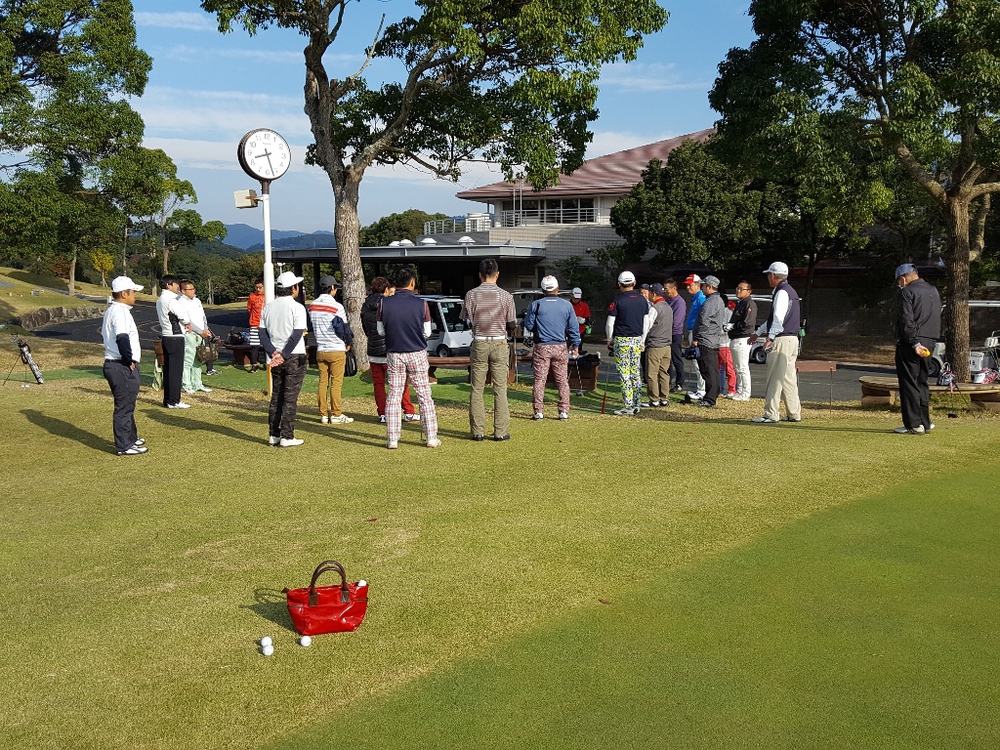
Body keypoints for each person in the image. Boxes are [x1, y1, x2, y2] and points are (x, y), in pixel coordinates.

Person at [377, 267, 440, 449]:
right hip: (417, 352)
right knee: (424, 396)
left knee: (394, 396)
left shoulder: (384, 303)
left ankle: (392, 439)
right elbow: (427, 332)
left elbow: (381, 331)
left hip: (394, 353)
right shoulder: (422, 304)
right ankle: (431, 437)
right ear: (412, 282)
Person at [460, 258, 517, 440]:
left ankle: (478, 431)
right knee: (500, 388)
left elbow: (464, 319)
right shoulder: (506, 296)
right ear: (497, 274)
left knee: (477, 388)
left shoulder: (471, 295)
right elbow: (511, 324)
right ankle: (500, 431)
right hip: (499, 342)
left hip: (479, 342)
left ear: (480, 275)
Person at [260, 271, 309, 447]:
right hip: (293, 355)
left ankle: (274, 433)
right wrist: (284, 354)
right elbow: (297, 334)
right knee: (290, 398)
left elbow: (262, 334)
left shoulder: (268, 307)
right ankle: (287, 436)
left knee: (277, 396)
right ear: (293, 288)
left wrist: (274, 352)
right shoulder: (297, 307)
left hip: (275, 356)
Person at [750, 262, 802, 423]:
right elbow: (774, 319)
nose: (768, 277)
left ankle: (771, 414)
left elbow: (778, 319)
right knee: (788, 379)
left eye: (768, 274)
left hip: (781, 339)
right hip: (792, 339)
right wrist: (758, 332)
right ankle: (794, 413)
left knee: (774, 377)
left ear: (773, 275)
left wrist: (770, 337)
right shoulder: (790, 291)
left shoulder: (781, 292)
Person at [361, 277, 418, 423]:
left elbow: (365, 328)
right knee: (400, 382)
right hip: (390, 349)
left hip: (373, 350)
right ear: (386, 290)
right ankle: (408, 411)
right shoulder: (388, 304)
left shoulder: (365, 306)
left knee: (378, 384)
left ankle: (382, 413)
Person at [893, 263, 941, 435]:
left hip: (912, 343)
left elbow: (907, 320)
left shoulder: (906, 292)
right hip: (930, 341)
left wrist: (914, 343)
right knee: (922, 381)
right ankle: (925, 422)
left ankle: (913, 424)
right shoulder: (933, 290)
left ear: (903, 279)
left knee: (909, 383)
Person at [524, 275, 580, 420]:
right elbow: (574, 327)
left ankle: (538, 411)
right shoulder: (567, 305)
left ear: (543, 290)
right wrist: (576, 345)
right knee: (562, 380)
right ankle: (563, 411)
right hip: (560, 346)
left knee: (540, 380)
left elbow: (528, 325)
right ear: (558, 289)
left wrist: (538, 328)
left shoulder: (536, 304)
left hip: (542, 346)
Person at [102, 276, 146, 455]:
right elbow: (122, 338)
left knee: (128, 403)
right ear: (124, 294)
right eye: (133, 292)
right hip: (120, 364)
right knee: (124, 407)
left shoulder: (115, 310)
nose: (135, 295)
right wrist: (129, 360)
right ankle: (124, 445)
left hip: (116, 363)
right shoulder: (120, 312)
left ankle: (131, 437)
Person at [606, 270, 657, 416]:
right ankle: (636, 403)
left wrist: (609, 338)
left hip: (622, 339)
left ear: (619, 284)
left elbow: (610, 323)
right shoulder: (643, 300)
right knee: (635, 372)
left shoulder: (618, 300)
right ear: (634, 283)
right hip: (637, 339)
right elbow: (646, 322)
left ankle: (628, 405)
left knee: (624, 373)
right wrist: (643, 339)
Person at [308, 276, 355, 425]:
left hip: (321, 348)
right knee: (336, 383)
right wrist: (348, 343)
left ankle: (323, 414)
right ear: (332, 288)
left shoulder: (312, 306)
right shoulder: (337, 307)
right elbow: (344, 328)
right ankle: (336, 414)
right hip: (336, 348)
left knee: (323, 382)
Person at [691, 275, 727, 407]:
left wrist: (697, 338)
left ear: (710, 287)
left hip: (706, 340)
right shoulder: (719, 300)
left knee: (707, 370)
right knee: (713, 370)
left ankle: (709, 398)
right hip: (714, 339)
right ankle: (712, 394)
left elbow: (704, 321)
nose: (702, 288)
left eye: (703, 286)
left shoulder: (711, 302)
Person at [156, 274, 191, 409]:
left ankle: (168, 400)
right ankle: (174, 400)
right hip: (175, 337)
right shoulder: (171, 300)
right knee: (176, 370)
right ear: (168, 285)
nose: (178, 287)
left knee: (168, 370)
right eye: (176, 284)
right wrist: (187, 323)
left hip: (166, 336)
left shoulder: (160, 299)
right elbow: (183, 316)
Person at [178, 279, 213, 395]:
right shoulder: (180, 302)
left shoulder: (197, 300)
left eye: (193, 288)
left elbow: (203, 317)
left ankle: (197, 383)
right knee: (188, 360)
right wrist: (200, 331)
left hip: (201, 334)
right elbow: (186, 321)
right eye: (190, 289)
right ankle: (186, 384)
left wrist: (205, 329)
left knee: (198, 360)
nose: (193, 291)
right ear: (183, 291)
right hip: (190, 334)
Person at [643, 283, 673, 407]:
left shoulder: (655, 308)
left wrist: (642, 341)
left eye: (650, 293)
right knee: (664, 372)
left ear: (654, 294)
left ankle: (654, 399)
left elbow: (647, 325)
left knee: (651, 373)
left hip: (655, 344)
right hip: (667, 345)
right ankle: (664, 398)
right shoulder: (668, 307)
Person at [728, 280, 757, 400]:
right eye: (737, 288)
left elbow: (747, 323)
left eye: (741, 289)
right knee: (737, 367)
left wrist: (733, 326)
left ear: (749, 291)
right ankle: (740, 390)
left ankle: (745, 392)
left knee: (742, 367)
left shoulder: (749, 304)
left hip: (743, 337)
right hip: (736, 337)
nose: (738, 291)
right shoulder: (740, 303)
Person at [684, 274, 707, 400]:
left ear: (698, 285)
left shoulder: (701, 298)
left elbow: (703, 318)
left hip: (696, 332)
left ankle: (702, 390)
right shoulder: (696, 298)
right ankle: (701, 388)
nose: (688, 287)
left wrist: (697, 336)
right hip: (693, 331)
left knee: (698, 362)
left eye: (690, 285)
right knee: (696, 362)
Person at [663, 279, 686, 392]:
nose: (665, 291)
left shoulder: (679, 302)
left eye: (667, 289)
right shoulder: (667, 300)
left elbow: (677, 321)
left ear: (674, 288)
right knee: (667, 360)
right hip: (666, 334)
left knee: (676, 358)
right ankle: (667, 381)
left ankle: (679, 383)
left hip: (675, 334)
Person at [246, 279, 265, 372]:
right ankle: (254, 364)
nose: (258, 289)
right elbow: (249, 308)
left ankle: (267, 363)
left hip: (265, 324)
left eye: (260, 287)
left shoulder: (269, 296)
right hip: (254, 323)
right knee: (254, 345)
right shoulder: (252, 296)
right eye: (256, 287)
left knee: (266, 345)